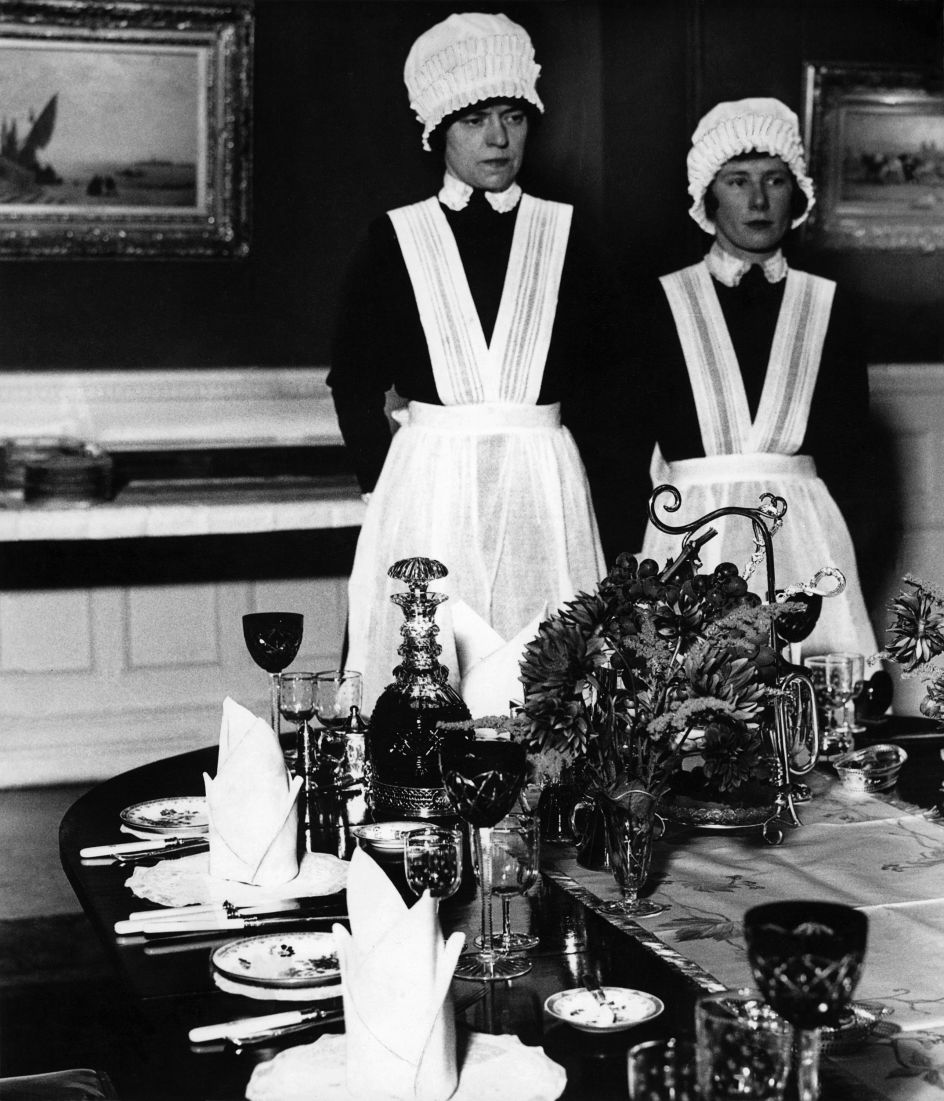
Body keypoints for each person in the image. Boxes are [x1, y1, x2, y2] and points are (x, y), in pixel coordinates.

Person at [329, 12, 624, 713]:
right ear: (438, 129)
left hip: (542, 487)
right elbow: (353, 377)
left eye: (513, 116)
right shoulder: (395, 238)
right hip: (432, 486)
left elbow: (609, 379)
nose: (497, 137)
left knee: (554, 687)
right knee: (422, 683)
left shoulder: (570, 235)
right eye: (474, 120)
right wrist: (392, 483)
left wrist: (575, 476)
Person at [638, 97, 878, 659]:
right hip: (692, 536)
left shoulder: (829, 306)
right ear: (707, 194)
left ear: (796, 193)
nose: (757, 199)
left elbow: (853, 457)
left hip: (805, 540)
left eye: (774, 180)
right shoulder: (660, 302)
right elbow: (629, 446)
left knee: (812, 708)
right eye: (737, 181)